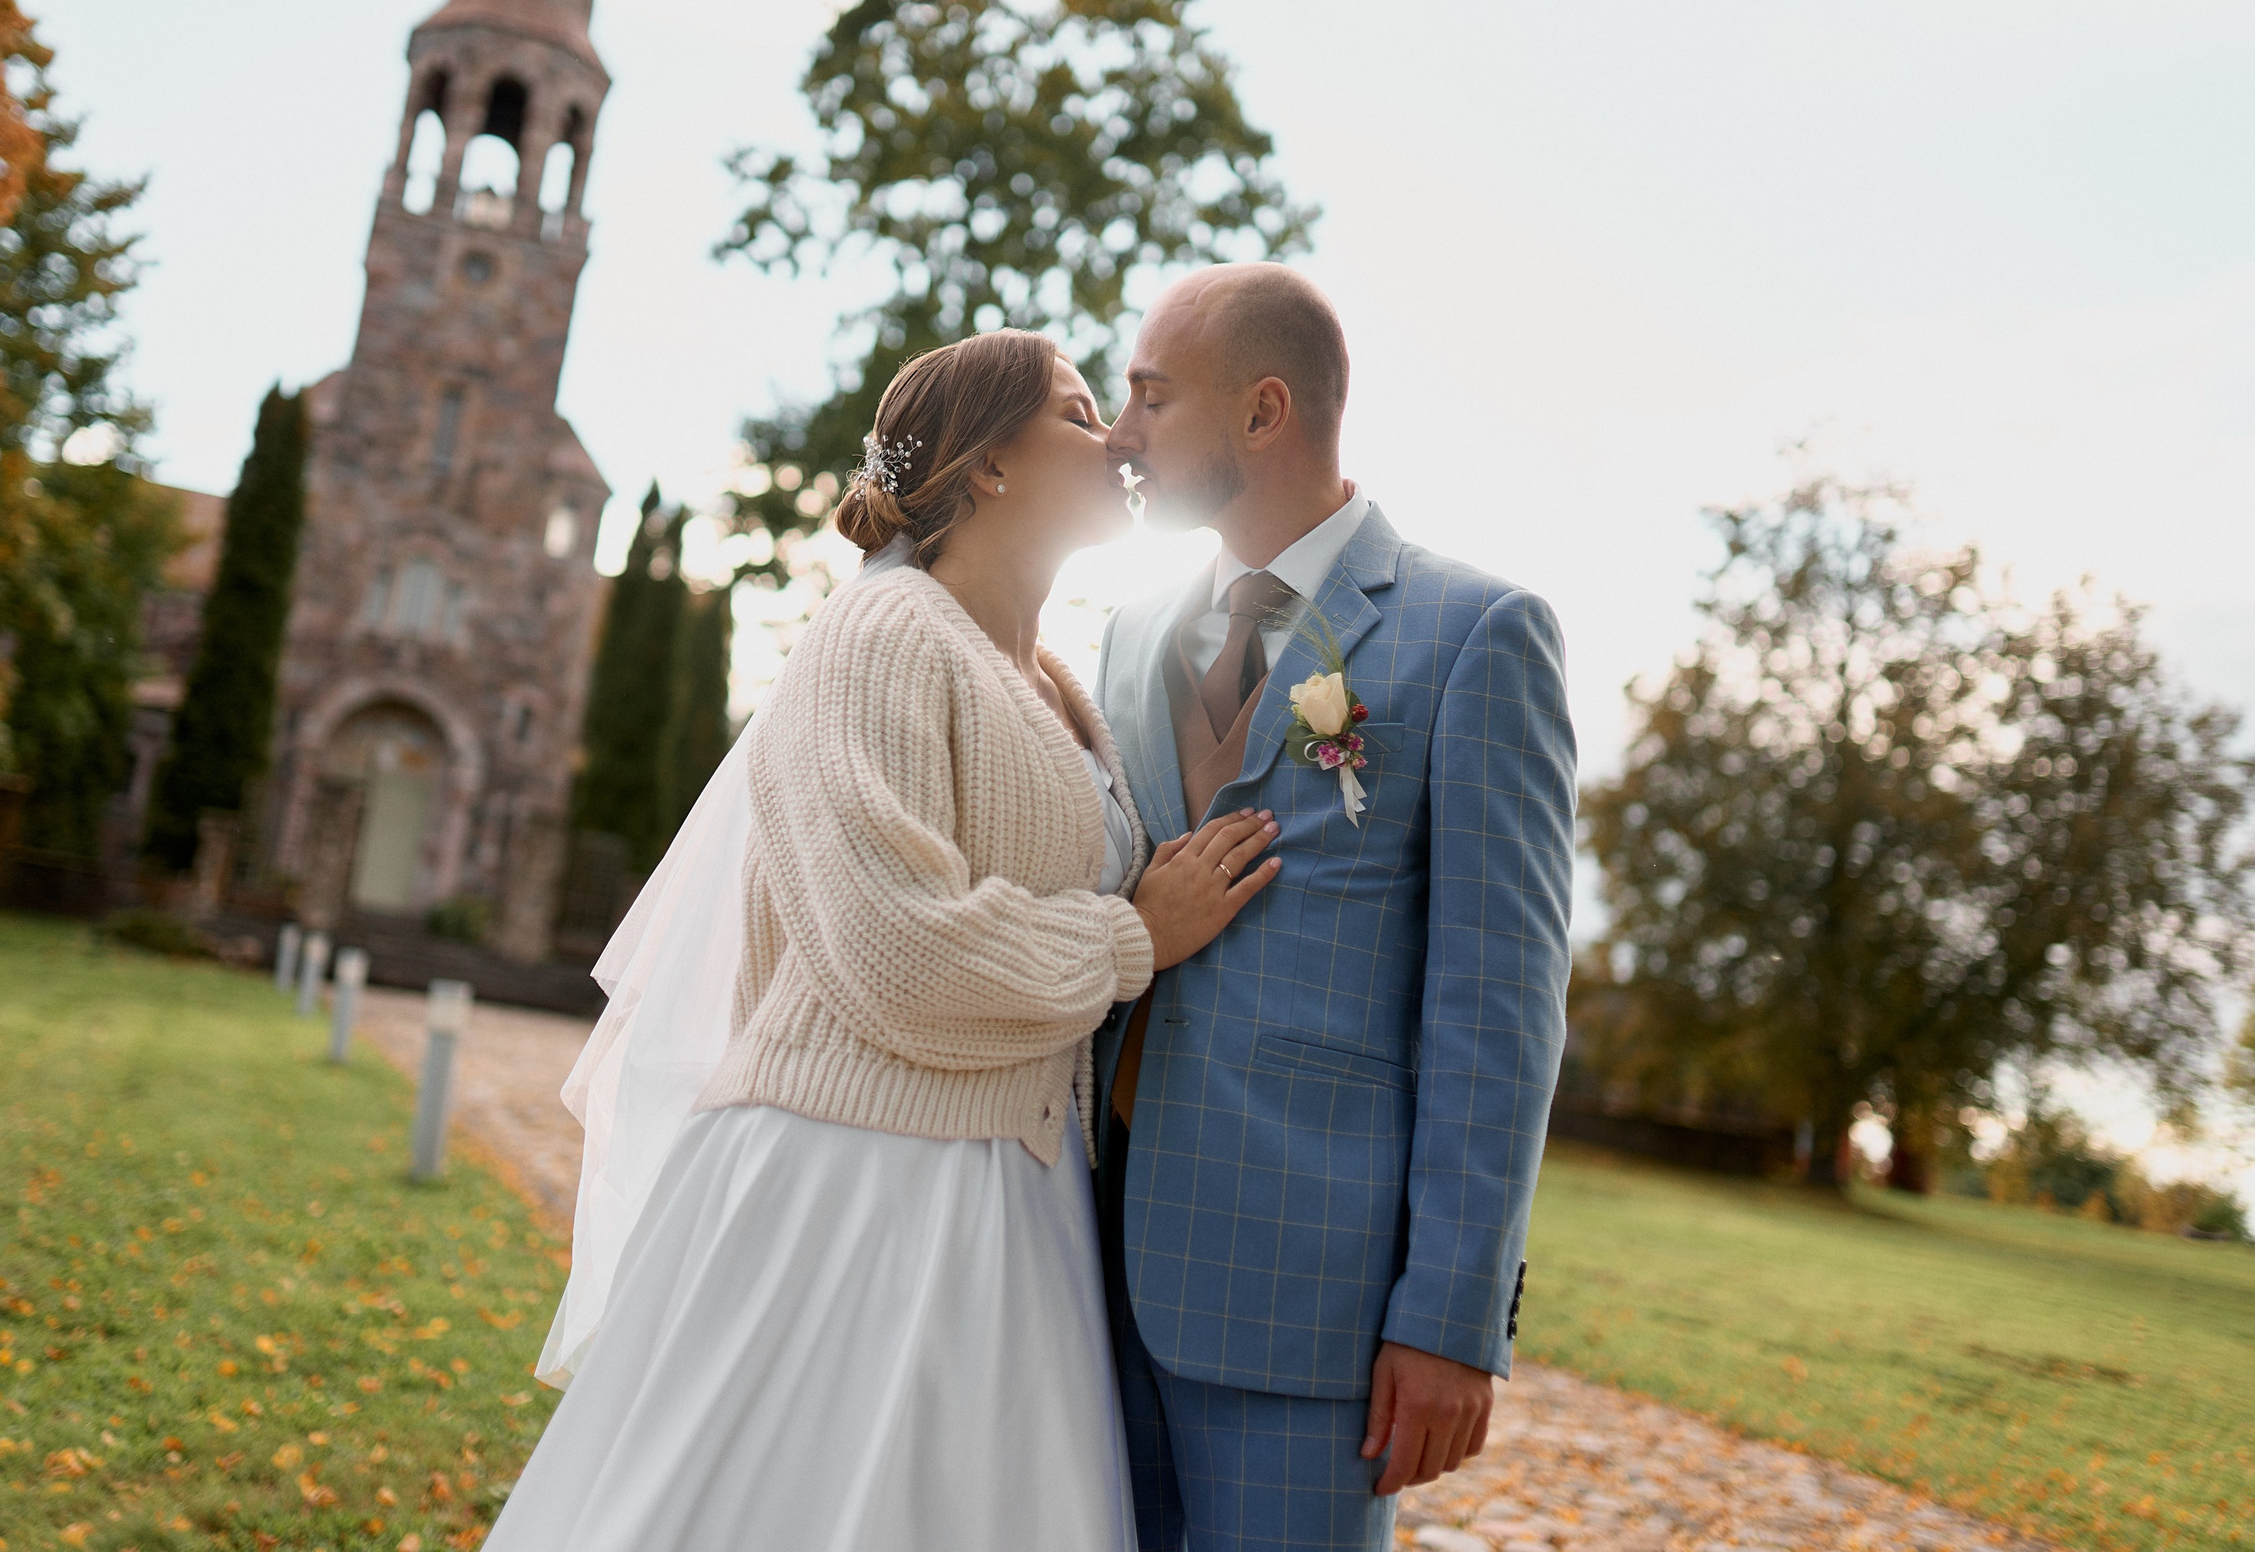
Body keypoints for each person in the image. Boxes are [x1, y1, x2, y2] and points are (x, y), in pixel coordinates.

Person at [487, 329, 1283, 1552]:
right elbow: (892, 949)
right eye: (1080, 414)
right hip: (851, 1185)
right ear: (990, 466)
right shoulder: (881, 638)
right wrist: (1133, 941)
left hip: (1018, 1198)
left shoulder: (1063, 681)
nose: (1119, 437)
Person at [1092, 264, 1579, 1552]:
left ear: (1262, 413)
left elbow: (1500, 1005)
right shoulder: (1132, 633)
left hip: (1304, 1304)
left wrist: (1450, 1314)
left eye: (1150, 397)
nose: (1119, 434)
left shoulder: (1476, 634)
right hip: (1079, 1265)